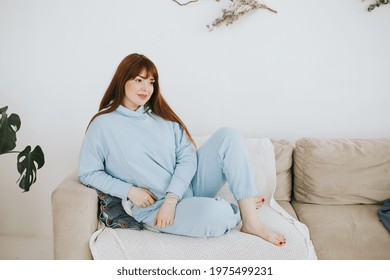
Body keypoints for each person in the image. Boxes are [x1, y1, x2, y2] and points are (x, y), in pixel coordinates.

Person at [79, 53, 286, 246]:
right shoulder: (103, 125)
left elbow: (187, 157)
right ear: (122, 80)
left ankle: (251, 222)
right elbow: (89, 173)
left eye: (151, 82)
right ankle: (240, 209)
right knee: (215, 216)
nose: (146, 88)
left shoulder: (161, 117)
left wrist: (172, 198)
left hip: (185, 189)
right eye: (139, 80)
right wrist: (130, 191)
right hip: (153, 206)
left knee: (228, 136)